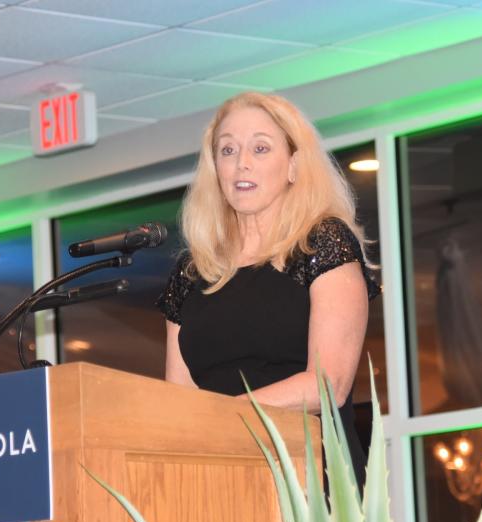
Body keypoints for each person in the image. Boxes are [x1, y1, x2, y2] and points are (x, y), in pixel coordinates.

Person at [157, 92, 379, 477]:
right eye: (227, 151)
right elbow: (178, 401)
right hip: (216, 473)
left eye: (260, 148)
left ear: (294, 165)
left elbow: (327, 386)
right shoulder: (192, 272)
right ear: (215, 170)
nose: (242, 163)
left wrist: (227, 417)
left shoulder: (323, 244)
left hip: (306, 473)